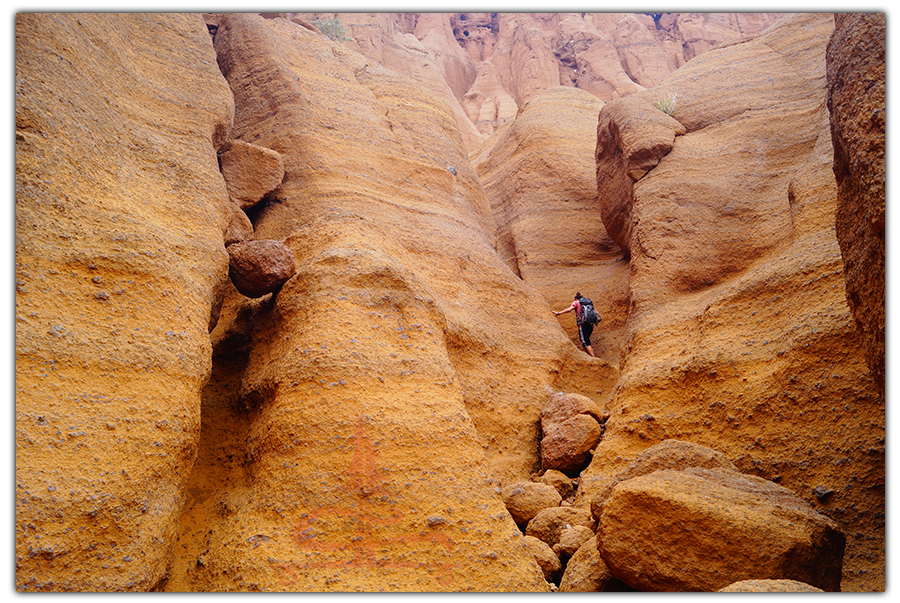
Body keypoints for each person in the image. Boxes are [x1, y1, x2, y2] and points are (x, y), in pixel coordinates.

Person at [553, 292, 596, 357]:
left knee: (586, 341)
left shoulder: (576, 302)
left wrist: (559, 313)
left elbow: (569, 309)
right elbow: (595, 312)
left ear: (576, 299)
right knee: (583, 340)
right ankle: (588, 356)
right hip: (590, 324)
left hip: (583, 324)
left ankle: (593, 358)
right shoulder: (588, 303)